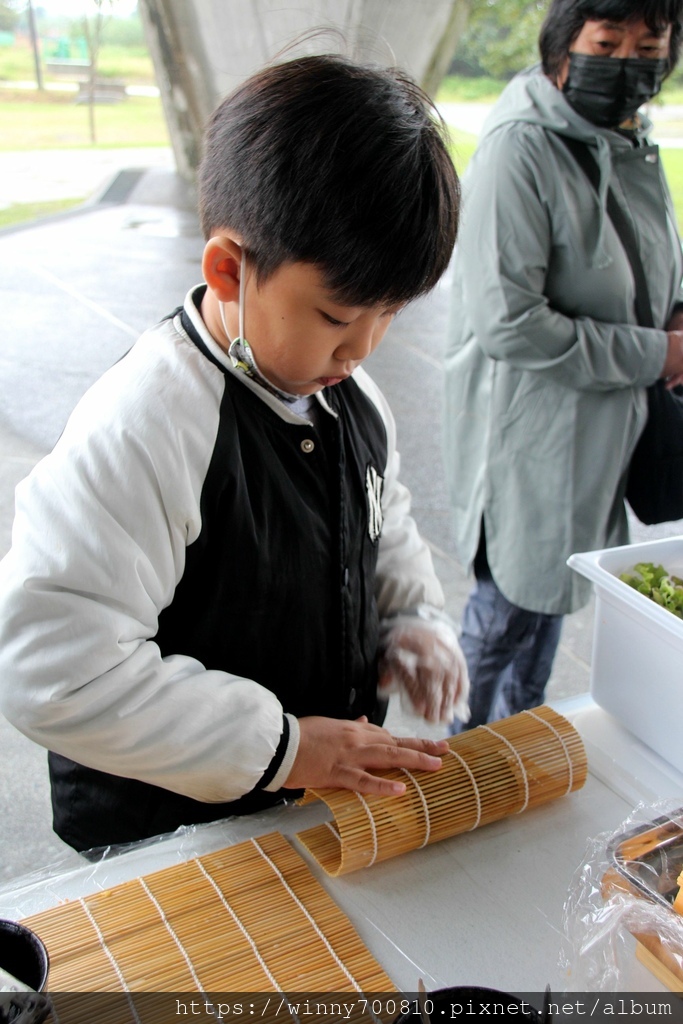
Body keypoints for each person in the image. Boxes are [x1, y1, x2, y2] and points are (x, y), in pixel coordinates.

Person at [0, 54, 469, 853]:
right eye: (335, 314)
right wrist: (286, 747)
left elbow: (382, 516)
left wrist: (412, 618)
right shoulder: (149, 423)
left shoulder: (347, 392)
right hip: (163, 833)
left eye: (389, 314)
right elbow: (53, 670)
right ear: (227, 268)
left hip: (297, 807)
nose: (361, 348)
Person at [444, 0, 683, 730]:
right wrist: (656, 352)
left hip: (599, 430)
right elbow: (508, 321)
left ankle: (521, 740)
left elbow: (648, 262)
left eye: (650, 46)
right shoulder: (521, 149)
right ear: (561, 49)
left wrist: (674, 312)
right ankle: (454, 756)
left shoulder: (623, 140)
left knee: (553, 597)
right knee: (508, 608)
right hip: (532, 437)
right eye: (607, 43)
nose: (628, 65)